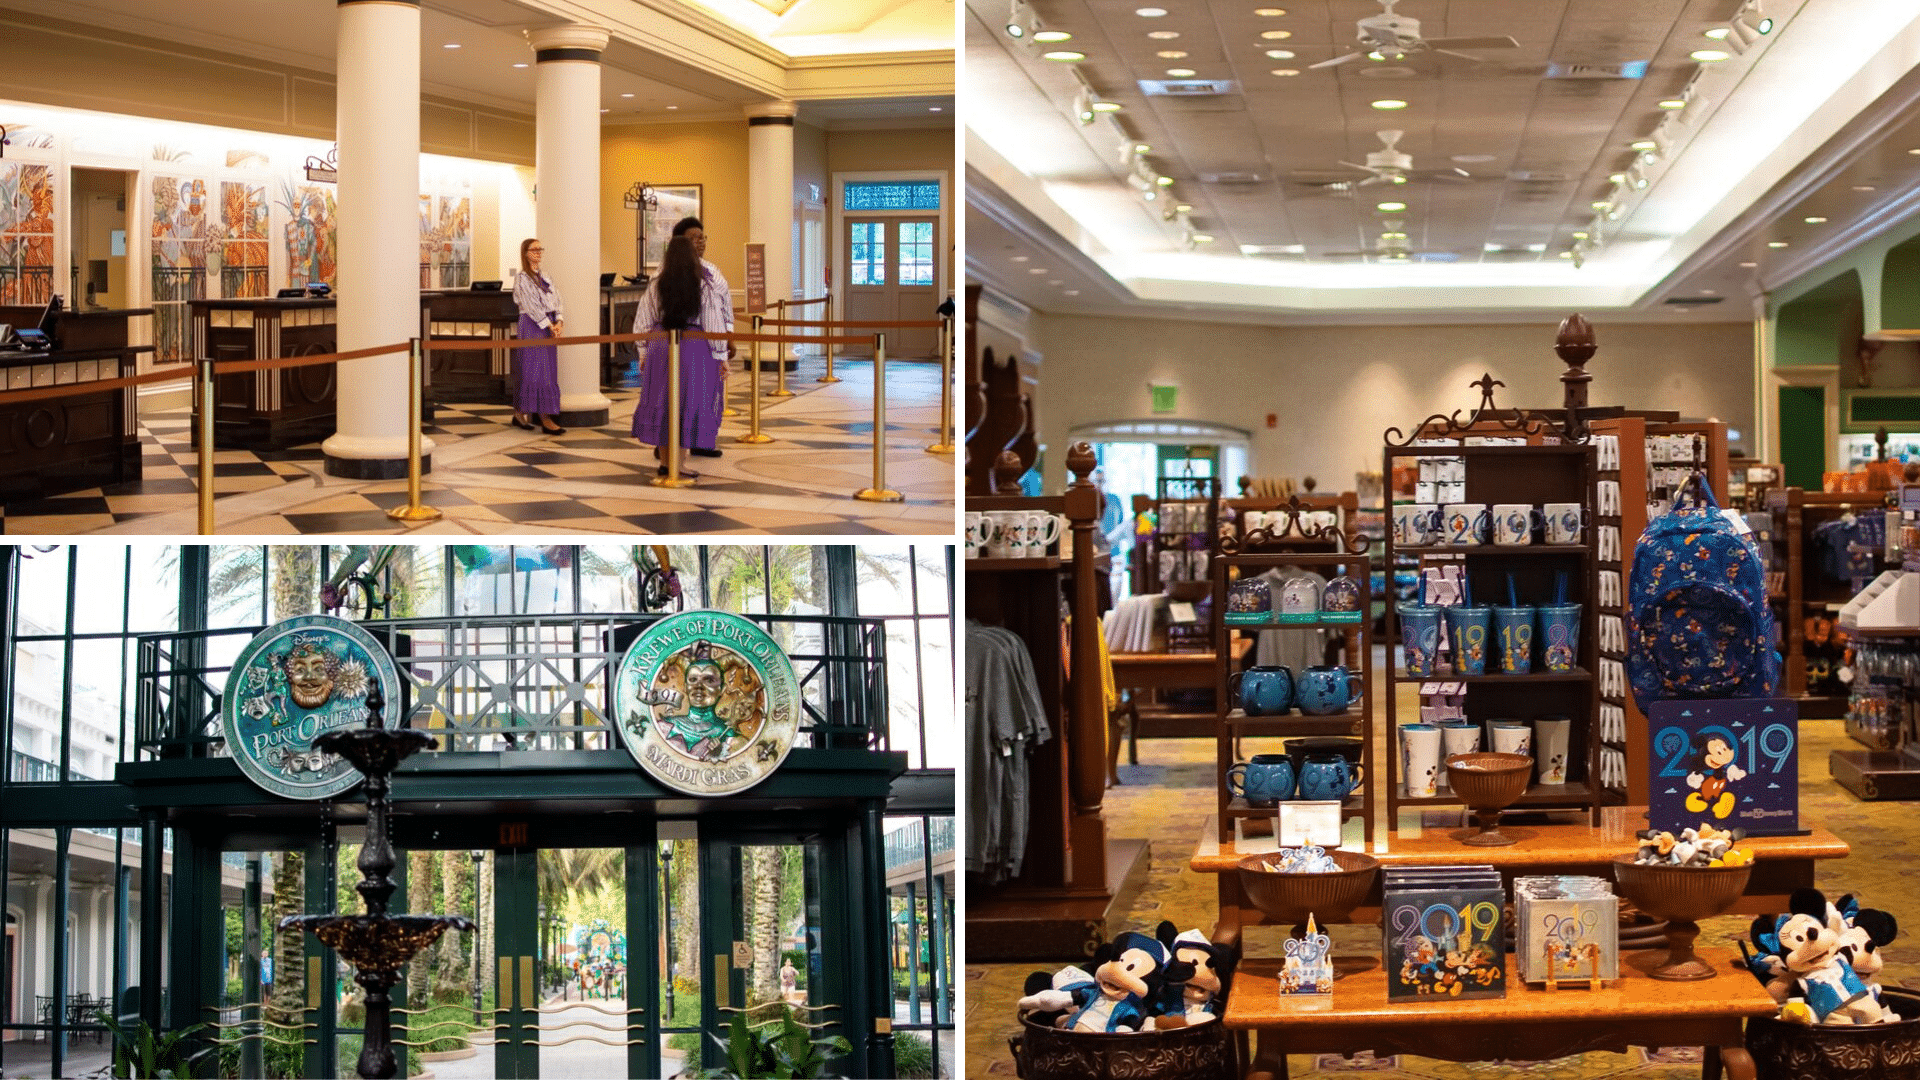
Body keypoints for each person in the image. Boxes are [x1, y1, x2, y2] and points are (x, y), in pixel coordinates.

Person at [631, 235, 729, 477]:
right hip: (694, 348)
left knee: (663, 401)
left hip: (660, 345)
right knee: (688, 402)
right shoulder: (703, 284)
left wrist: (643, 351)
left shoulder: (656, 283)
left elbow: (643, 319)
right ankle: (680, 463)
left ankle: (665, 463)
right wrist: (721, 355)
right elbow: (713, 322)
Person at [671, 217, 734, 458]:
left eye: (702, 237)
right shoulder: (671, 272)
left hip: (713, 341)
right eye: (693, 238)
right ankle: (669, 443)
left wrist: (728, 336)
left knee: (708, 392)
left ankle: (702, 440)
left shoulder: (712, 270)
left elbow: (725, 304)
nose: (700, 242)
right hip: (686, 342)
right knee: (684, 394)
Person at [509, 237, 566, 434]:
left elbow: (557, 298)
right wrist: (548, 324)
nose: (538, 252)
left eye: (540, 249)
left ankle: (539, 413)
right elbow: (531, 306)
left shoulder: (546, 276)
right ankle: (538, 416)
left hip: (548, 325)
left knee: (548, 371)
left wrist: (559, 320)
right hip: (533, 326)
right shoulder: (522, 278)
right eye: (534, 249)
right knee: (534, 370)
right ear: (525, 253)